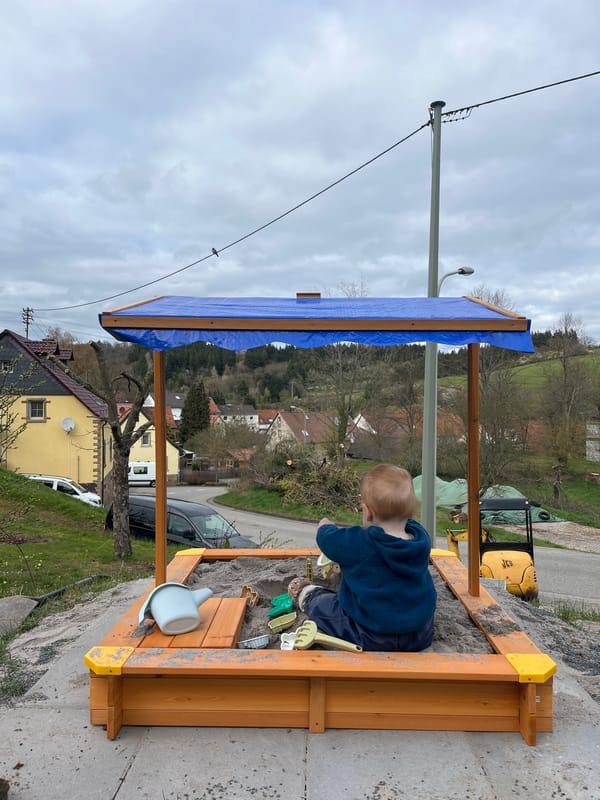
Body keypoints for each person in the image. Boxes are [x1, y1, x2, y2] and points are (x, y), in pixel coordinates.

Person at [287, 464, 436, 651]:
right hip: (419, 634)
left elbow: (328, 540)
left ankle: (307, 595)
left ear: (367, 512)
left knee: (324, 607)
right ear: (411, 512)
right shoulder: (421, 539)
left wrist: (325, 526)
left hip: (370, 633)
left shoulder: (361, 543)